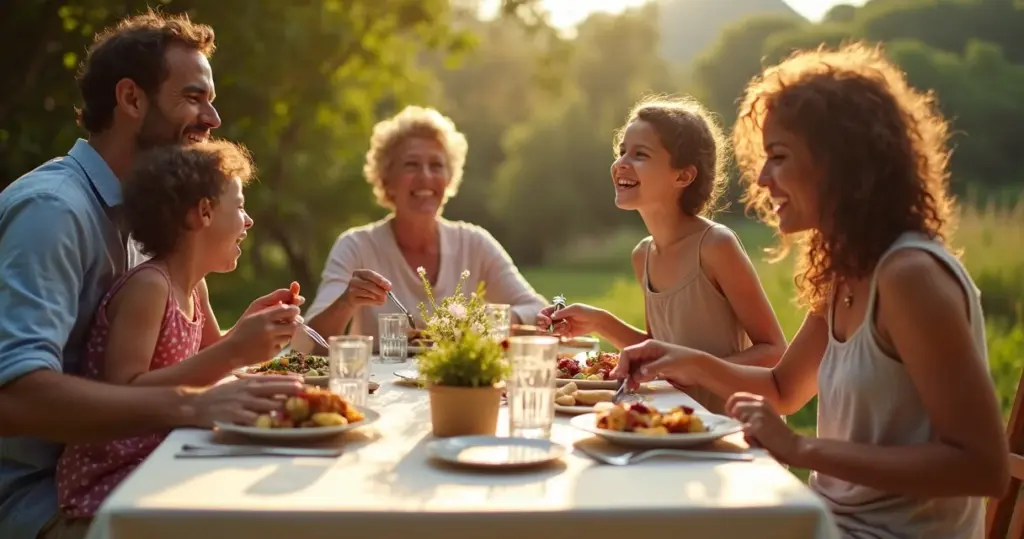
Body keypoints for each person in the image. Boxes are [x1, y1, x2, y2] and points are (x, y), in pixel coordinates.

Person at [614, 44, 1009, 538]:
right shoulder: (846, 272)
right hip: (827, 520)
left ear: (841, 162)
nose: (762, 179)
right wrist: (683, 360)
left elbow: (982, 467)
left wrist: (801, 450)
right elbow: (783, 391)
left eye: (779, 157)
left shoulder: (909, 276)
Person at [0, 12, 303, 539]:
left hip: (138, 470)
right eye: (193, 97)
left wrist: (236, 346)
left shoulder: (148, 215)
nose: (213, 117)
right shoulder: (53, 211)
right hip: (44, 500)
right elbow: (14, 399)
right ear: (131, 99)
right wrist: (193, 403)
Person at [55, 140, 283, 520]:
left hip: (166, 451)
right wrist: (234, 352)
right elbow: (124, 388)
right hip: (118, 475)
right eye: (240, 206)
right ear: (204, 212)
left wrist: (248, 328)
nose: (249, 221)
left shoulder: (194, 287)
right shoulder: (150, 286)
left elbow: (210, 357)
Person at [535, 95, 786, 414]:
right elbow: (660, 354)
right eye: (622, 151)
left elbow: (773, 351)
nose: (622, 163)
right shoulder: (643, 255)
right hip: (676, 421)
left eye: (640, 154)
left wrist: (696, 369)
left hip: (731, 422)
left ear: (683, 176)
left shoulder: (715, 246)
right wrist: (599, 321)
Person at [302, 105, 546, 346]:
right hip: (378, 375)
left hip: (457, 373)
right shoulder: (356, 246)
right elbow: (307, 341)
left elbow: (538, 309)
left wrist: (489, 321)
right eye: (411, 164)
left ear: (449, 179)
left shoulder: (475, 244)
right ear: (387, 180)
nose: (426, 177)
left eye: (436, 165)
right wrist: (346, 302)